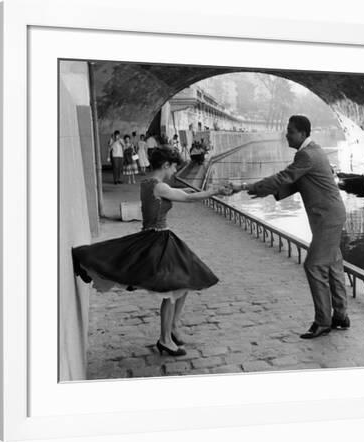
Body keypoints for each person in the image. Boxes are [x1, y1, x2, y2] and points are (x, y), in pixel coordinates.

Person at [72, 148, 232, 356]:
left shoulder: (148, 183)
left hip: (153, 237)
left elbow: (182, 193)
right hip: (158, 241)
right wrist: (215, 191)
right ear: (165, 165)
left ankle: (172, 328)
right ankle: (165, 339)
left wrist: (206, 190)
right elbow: (187, 198)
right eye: (174, 166)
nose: (175, 171)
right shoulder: (160, 187)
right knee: (172, 289)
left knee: (185, 282)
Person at [229, 115, 349, 339]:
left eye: (291, 131)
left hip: (327, 218)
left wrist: (244, 186)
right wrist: (261, 191)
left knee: (314, 266)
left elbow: (284, 177)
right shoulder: (312, 151)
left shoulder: (307, 154)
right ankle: (341, 317)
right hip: (330, 215)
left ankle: (323, 322)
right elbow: (294, 182)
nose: (286, 134)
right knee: (333, 264)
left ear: (302, 134)